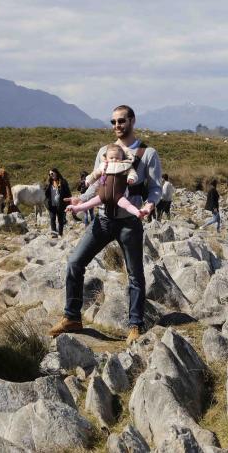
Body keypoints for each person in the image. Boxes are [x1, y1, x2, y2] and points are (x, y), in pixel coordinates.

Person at [50, 105, 162, 345]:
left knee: (135, 275)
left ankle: (135, 325)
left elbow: (155, 188)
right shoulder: (104, 151)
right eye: (113, 122)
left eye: (121, 121)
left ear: (132, 121)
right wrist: (82, 200)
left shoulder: (147, 153)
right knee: (74, 262)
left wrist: (150, 205)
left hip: (130, 222)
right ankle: (72, 317)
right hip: (102, 219)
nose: (117, 126)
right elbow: (98, 183)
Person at [66, 145, 147, 220]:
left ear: (122, 158)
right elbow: (94, 175)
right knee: (90, 203)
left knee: (127, 205)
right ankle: (76, 208)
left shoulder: (126, 166)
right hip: (103, 195)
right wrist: (88, 181)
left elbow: (133, 173)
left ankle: (137, 212)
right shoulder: (103, 166)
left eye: (117, 157)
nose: (114, 159)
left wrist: (131, 178)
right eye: (111, 158)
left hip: (118, 195)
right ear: (106, 158)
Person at [45, 168, 72, 237]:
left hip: (61, 205)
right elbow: (45, 194)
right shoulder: (48, 183)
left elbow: (68, 193)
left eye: (52, 173)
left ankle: (60, 234)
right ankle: (54, 234)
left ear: (56, 173)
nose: (51, 175)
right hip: (51, 205)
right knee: (52, 218)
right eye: (50, 174)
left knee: (60, 220)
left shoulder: (63, 182)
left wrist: (68, 202)